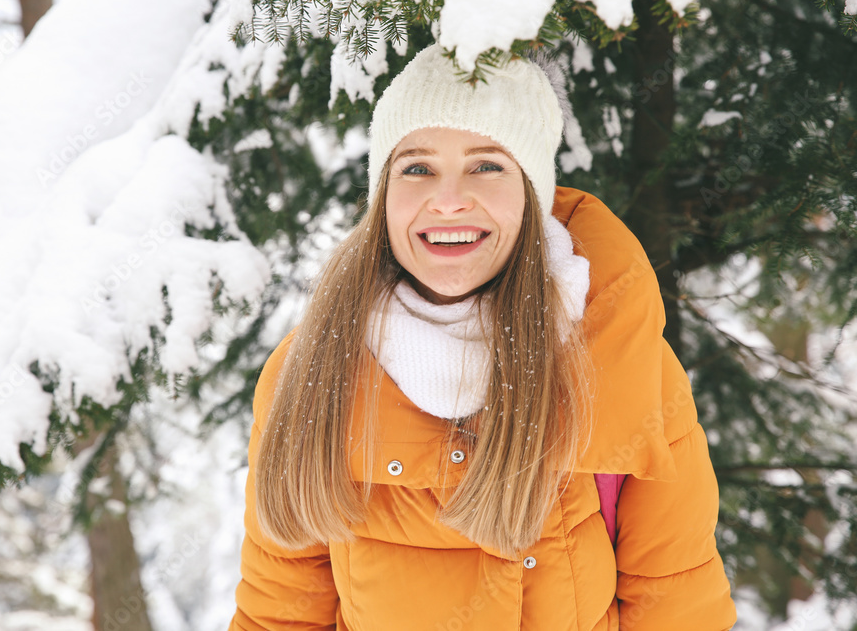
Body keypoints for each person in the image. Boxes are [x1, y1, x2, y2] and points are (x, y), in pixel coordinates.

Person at [229, 44, 737, 630]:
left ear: (532, 194)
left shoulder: (615, 361)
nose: (447, 200)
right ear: (383, 197)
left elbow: (674, 602)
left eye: (487, 165)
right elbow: (279, 613)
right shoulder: (312, 370)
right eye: (416, 167)